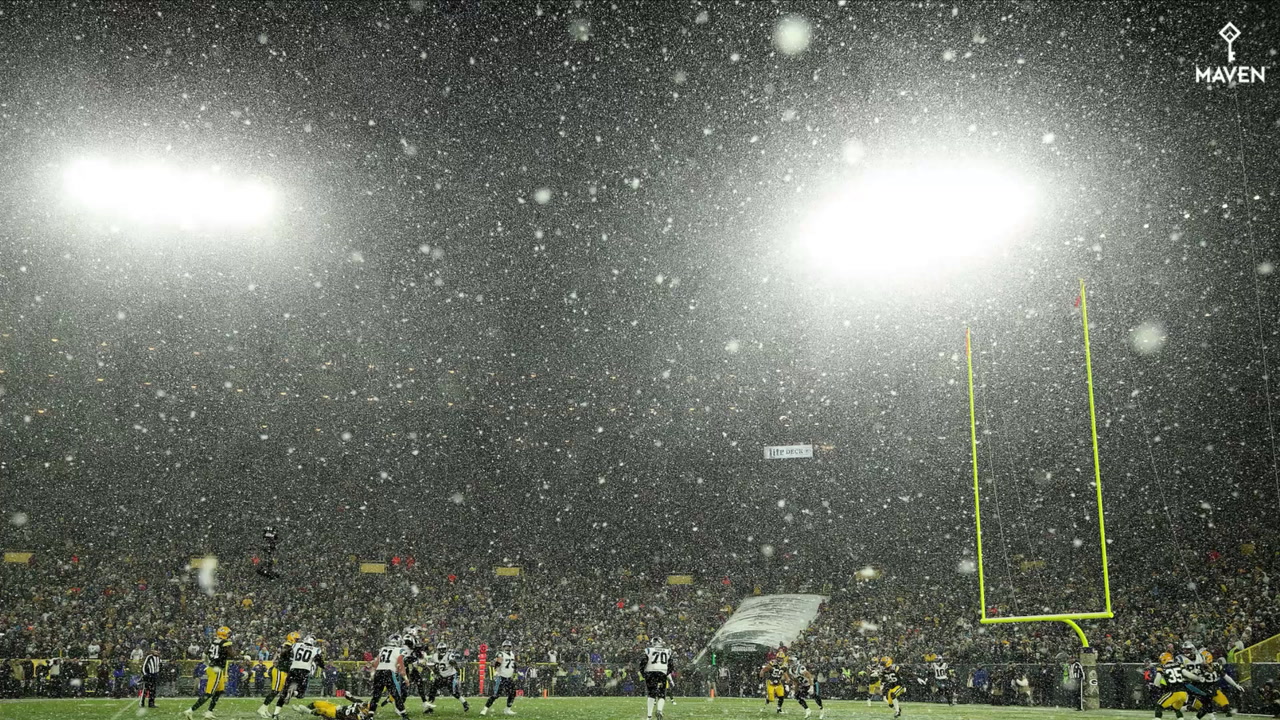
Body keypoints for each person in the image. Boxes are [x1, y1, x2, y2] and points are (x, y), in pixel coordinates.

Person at [185, 625, 234, 719]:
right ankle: (190, 710)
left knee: (219, 691)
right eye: (228, 633)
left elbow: (205, 652)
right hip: (217, 670)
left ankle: (209, 712)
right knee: (209, 693)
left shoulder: (213, 641)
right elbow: (232, 655)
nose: (229, 635)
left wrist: (208, 663)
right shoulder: (225, 643)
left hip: (211, 668)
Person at [275, 634, 324, 717]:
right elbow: (320, 662)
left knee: (284, 692)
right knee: (301, 694)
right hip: (304, 671)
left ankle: (275, 713)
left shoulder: (296, 645)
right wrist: (322, 665)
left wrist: (285, 659)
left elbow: (285, 652)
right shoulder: (316, 650)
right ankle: (293, 693)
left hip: (293, 669)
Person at [258, 632, 298, 719]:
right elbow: (283, 652)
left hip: (283, 671)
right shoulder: (287, 645)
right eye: (297, 639)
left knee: (276, 692)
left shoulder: (289, 646)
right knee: (275, 691)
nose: (297, 641)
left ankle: (265, 709)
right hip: (280, 670)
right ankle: (262, 709)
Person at [370, 633, 409, 720]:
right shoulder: (399, 650)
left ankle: (370, 715)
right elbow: (400, 664)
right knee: (396, 695)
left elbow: (376, 664)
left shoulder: (383, 649)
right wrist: (405, 678)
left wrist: (372, 673)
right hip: (388, 672)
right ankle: (404, 716)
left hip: (379, 672)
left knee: (376, 696)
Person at [425, 641, 469, 713]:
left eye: (443, 649)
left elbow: (454, 664)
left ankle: (465, 703)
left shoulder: (449, 655)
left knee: (454, 692)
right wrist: (436, 673)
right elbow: (435, 667)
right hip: (441, 676)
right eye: (440, 649)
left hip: (450, 676)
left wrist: (458, 674)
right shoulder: (435, 656)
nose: (442, 651)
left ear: (446, 649)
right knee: (432, 690)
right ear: (438, 649)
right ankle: (430, 707)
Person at [482, 639, 517, 716]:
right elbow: (498, 663)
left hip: (509, 677)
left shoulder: (512, 654)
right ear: (503, 647)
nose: (507, 648)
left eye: (509, 646)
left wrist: (514, 672)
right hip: (502, 677)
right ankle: (485, 709)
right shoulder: (501, 654)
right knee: (496, 695)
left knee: (512, 693)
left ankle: (507, 709)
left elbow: (512, 665)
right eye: (506, 646)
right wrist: (496, 672)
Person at [640, 637, 672, 720]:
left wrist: (644, 673)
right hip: (662, 673)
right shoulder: (667, 651)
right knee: (662, 695)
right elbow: (671, 666)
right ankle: (659, 710)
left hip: (650, 673)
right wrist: (666, 673)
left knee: (651, 694)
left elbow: (643, 662)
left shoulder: (648, 650)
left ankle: (649, 716)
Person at [788, 654, 825, 719]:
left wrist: (811, 686)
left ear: (796, 661)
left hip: (812, 683)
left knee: (814, 695)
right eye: (789, 661)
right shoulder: (791, 670)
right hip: (804, 685)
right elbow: (796, 681)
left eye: (791, 661)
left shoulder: (800, 668)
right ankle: (807, 710)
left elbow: (809, 676)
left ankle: (821, 710)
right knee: (797, 696)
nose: (790, 663)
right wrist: (794, 690)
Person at [295, 695, 376, 720]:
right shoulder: (360, 704)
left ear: (366, 711)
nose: (363, 704)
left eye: (365, 705)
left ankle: (307, 711)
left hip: (335, 714)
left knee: (321, 710)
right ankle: (301, 711)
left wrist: (329, 718)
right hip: (336, 707)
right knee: (316, 703)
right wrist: (348, 696)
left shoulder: (359, 717)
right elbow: (353, 698)